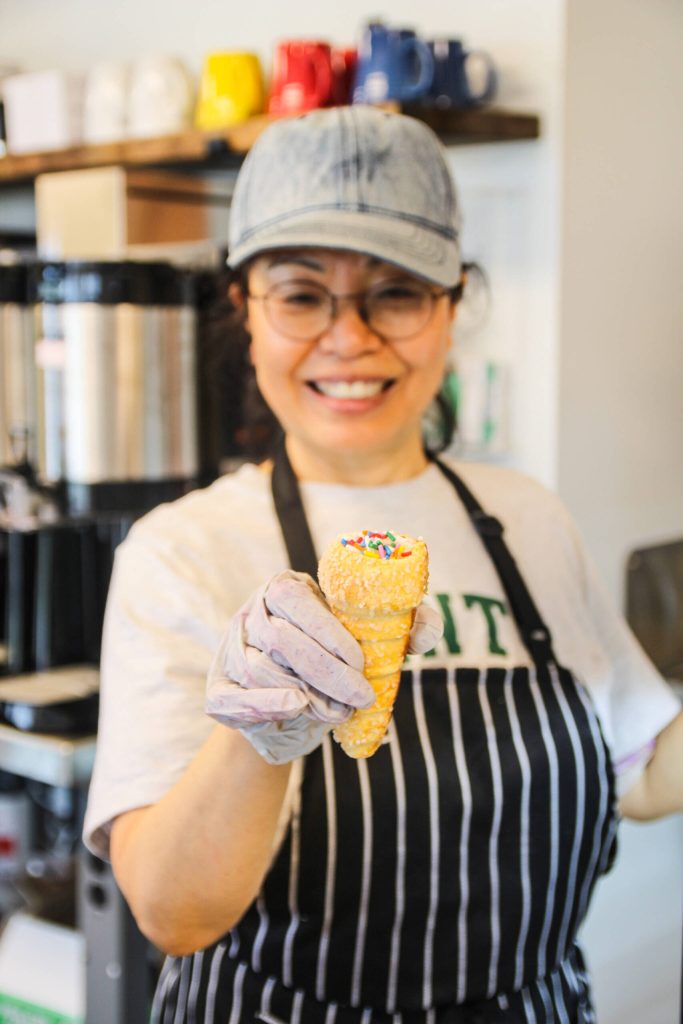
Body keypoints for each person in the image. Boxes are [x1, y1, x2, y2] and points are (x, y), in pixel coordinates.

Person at [83, 106, 682, 1024]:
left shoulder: (527, 518)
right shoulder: (182, 551)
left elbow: (636, 777)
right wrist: (260, 735)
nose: (350, 337)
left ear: (451, 310)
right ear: (245, 310)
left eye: (396, 292)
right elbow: (175, 913)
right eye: (301, 292)